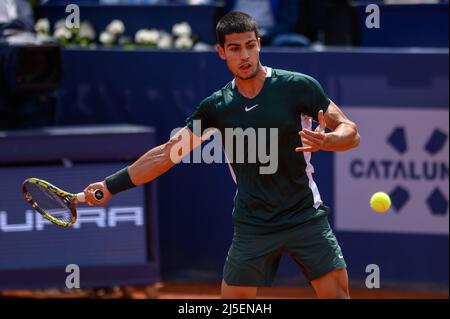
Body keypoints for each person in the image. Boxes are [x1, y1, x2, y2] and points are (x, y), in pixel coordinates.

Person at [83, 11, 360, 299]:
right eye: (235, 48)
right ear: (221, 52)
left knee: (337, 295)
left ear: (259, 44)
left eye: (250, 45)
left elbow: (350, 131)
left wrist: (328, 140)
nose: (245, 55)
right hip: (253, 223)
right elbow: (167, 154)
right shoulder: (216, 107)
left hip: (304, 215)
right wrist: (110, 186)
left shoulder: (298, 87)